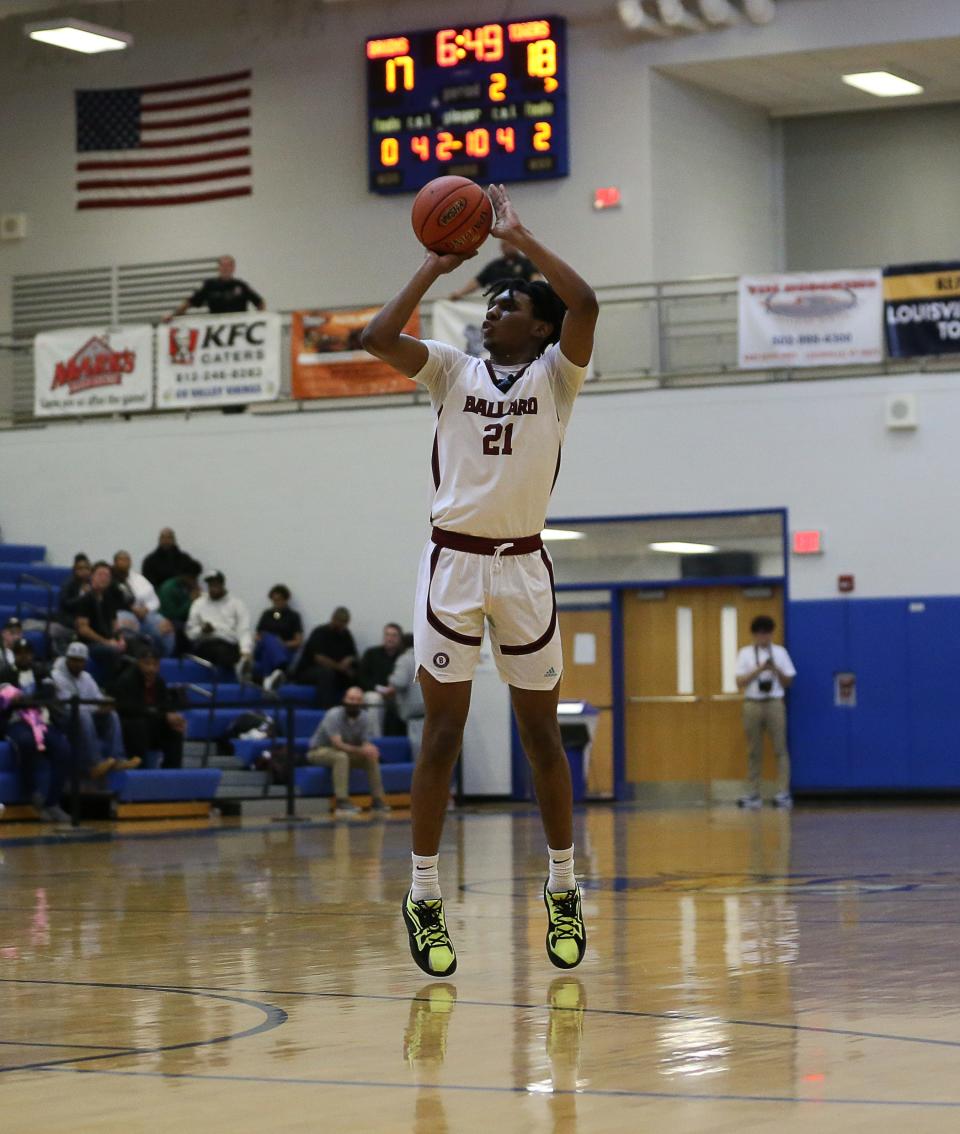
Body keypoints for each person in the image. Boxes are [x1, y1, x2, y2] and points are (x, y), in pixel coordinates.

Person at [361, 183, 599, 977]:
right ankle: (424, 896)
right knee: (442, 736)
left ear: (538, 327)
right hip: (452, 564)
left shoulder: (558, 378)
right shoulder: (450, 371)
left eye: (505, 306)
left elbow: (587, 300)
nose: (490, 313)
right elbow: (373, 335)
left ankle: (563, 885)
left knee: (542, 737)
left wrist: (520, 238)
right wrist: (431, 268)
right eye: (489, 304)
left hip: (524, 567)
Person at [0, 639, 72, 822]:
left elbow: (47, 694)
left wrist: (24, 699)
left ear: (32, 654)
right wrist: (29, 700)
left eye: (28, 652)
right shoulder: (5, 673)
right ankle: (32, 792)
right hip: (17, 722)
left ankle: (53, 802)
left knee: (63, 748)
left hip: (42, 721)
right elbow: (6, 701)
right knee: (26, 742)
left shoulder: (41, 671)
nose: (24, 656)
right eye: (20, 652)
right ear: (15, 655)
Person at [735, 615, 797, 809]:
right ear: (754, 634)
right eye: (760, 633)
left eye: (767, 633)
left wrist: (774, 668)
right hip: (752, 703)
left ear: (771, 633)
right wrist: (760, 669)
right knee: (754, 750)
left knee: (780, 748)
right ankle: (754, 793)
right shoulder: (745, 653)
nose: (764, 637)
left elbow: (788, 682)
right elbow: (739, 682)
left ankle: (783, 792)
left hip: (774, 703)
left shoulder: (780, 652)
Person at [304, 686, 391, 815]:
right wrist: (361, 750)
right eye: (351, 699)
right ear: (344, 700)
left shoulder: (365, 718)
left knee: (370, 757)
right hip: (319, 751)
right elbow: (337, 744)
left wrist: (369, 749)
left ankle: (377, 800)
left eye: (357, 700)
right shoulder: (333, 714)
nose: (354, 702)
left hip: (347, 752)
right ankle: (341, 802)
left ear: (362, 702)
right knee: (341, 756)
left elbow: (365, 743)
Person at [51, 642, 129, 777]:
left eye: (80, 661)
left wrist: (106, 703)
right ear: (67, 659)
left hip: (86, 717)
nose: (77, 664)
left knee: (112, 715)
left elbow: (97, 697)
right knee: (83, 714)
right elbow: (68, 706)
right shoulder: (56, 676)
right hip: (64, 720)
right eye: (74, 660)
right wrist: (96, 709)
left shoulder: (86, 677)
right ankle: (94, 763)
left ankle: (117, 758)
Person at [108, 649, 185, 768]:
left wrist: (173, 716)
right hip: (129, 725)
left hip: (152, 723)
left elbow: (166, 705)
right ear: (139, 663)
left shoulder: (159, 682)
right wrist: (163, 716)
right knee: (138, 725)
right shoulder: (127, 680)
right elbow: (130, 710)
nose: (151, 668)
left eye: (155, 664)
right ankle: (140, 771)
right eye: (147, 664)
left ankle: (171, 772)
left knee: (174, 731)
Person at [73, 560, 134, 677]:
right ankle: (111, 686)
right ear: (92, 577)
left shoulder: (109, 599)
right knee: (112, 651)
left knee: (135, 644)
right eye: (100, 575)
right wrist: (106, 642)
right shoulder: (85, 599)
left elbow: (114, 624)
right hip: (90, 643)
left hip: (108, 640)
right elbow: (83, 629)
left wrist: (120, 639)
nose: (104, 578)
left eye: (107, 576)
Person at [185, 570, 253, 674]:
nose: (213, 588)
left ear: (222, 584)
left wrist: (245, 651)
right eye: (210, 585)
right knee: (219, 651)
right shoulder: (198, 604)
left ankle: (245, 669)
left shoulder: (236, 604)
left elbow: (244, 630)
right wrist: (202, 630)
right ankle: (240, 670)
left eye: (216, 585)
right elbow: (190, 633)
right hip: (206, 643)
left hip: (229, 644)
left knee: (232, 653)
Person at [162, 255, 265, 322]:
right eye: (223, 266)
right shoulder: (209, 285)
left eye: (228, 266)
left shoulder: (241, 286)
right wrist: (173, 315)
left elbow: (260, 303)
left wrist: (261, 321)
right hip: (215, 330)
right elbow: (190, 302)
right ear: (218, 268)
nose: (225, 268)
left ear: (233, 268)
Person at [112, 550, 175, 657]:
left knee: (165, 626)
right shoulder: (109, 579)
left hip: (145, 613)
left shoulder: (139, 579)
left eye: (126, 560)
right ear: (114, 563)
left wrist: (146, 609)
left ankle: (162, 659)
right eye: (120, 560)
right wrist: (133, 609)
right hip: (123, 613)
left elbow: (154, 601)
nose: (124, 563)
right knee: (126, 624)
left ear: (130, 563)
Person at [296, 607, 358, 708]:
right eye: (340, 621)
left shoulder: (346, 634)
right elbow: (319, 658)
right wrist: (340, 667)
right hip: (309, 671)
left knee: (356, 674)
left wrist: (350, 659)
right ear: (333, 619)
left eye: (345, 623)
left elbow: (353, 654)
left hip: (336, 671)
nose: (342, 625)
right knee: (326, 673)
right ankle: (324, 709)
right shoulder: (320, 632)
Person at [449, 240, 541, 301]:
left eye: (511, 244)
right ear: (501, 247)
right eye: (505, 245)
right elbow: (478, 281)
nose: (509, 247)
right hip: (497, 302)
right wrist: (459, 293)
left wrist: (537, 292)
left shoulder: (526, 263)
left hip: (518, 301)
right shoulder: (494, 266)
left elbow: (536, 280)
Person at [359, 622, 406, 736]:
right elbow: (361, 678)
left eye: (394, 635)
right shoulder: (371, 654)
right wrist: (379, 690)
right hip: (374, 692)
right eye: (387, 635)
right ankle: (376, 738)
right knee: (374, 700)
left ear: (400, 639)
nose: (390, 638)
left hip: (397, 694)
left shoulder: (404, 658)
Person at [254, 584, 304, 688]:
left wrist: (281, 644)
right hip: (265, 647)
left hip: (284, 649)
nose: (276, 603)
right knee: (268, 637)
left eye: (279, 600)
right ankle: (281, 666)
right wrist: (271, 641)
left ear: (286, 600)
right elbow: (257, 636)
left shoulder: (294, 616)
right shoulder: (266, 614)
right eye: (274, 600)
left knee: (267, 653)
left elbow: (298, 641)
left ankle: (266, 680)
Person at [389, 635, 425, 761]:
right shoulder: (428, 658)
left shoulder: (405, 659)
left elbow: (400, 681)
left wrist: (390, 679)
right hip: (431, 711)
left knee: (419, 752)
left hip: (415, 713)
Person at [157, 559, 202, 650]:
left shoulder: (191, 587)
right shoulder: (168, 588)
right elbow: (172, 615)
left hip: (188, 621)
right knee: (191, 632)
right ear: (184, 576)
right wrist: (191, 601)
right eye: (192, 578)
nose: (194, 581)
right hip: (169, 621)